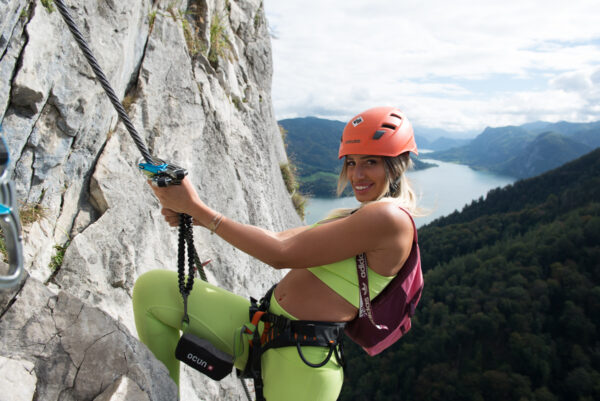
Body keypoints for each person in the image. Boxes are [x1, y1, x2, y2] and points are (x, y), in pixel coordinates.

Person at [132, 106, 422, 401]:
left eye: (370, 162)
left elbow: (280, 254)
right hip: (262, 330)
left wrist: (199, 209)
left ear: (397, 164)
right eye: (351, 162)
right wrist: (198, 218)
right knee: (153, 291)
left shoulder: (389, 218)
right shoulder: (356, 215)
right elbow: (279, 238)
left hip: (304, 365)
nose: (357, 174)